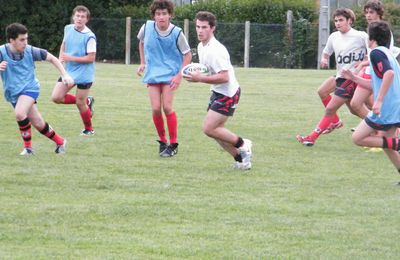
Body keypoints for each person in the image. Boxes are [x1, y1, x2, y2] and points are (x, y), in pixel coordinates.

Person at [184, 11, 252, 170]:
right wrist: (196, 74)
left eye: (204, 27)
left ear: (212, 28)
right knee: (216, 132)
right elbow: (208, 71)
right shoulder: (201, 46)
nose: (200, 30)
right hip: (217, 91)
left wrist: (199, 78)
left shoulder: (217, 50)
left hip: (228, 93)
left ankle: (243, 143)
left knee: (209, 128)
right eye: (197, 27)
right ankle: (242, 161)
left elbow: (224, 77)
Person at [297, 8, 368, 146]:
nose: (337, 23)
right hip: (341, 76)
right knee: (324, 92)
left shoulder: (360, 36)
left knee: (331, 108)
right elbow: (326, 52)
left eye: (341, 20)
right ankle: (337, 122)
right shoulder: (334, 36)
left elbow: (372, 53)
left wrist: (362, 64)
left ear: (350, 21)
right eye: (335, 20)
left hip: (352, 78)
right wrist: (324, 59)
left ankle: (311, 137)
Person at [0, 23, 73, 155]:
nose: (25, 42)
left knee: (19, 113)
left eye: (26, 39)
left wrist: (65, 74)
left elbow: (52, 58)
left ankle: (28, 149)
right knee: (38, 122)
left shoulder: (30, 50)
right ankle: (60, 142)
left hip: (30, 88)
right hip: (13, 92)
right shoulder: (1, 52)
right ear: (11, 40)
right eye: (22, 40)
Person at [341, 21, 400, 178]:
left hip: (387, 108)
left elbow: (389, 74)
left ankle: (397, 143)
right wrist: (353, 77)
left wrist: (378, 101)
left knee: (358, 138)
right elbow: (375, 84)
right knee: (388, 145)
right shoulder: (388, 54)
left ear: (371, 38)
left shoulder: (376, 53)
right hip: (395, 106)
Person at [137, 0, 192, 157]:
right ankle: (163, 142)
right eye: (158, 14)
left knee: (167, 107)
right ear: (154, 16)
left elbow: (187, 55)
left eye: (164, 14)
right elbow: (141, 43)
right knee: (155, 108)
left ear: (170, 15)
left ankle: (173, 144)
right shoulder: (147, 27)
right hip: (153, 72)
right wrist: (143, 62)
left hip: (170, 74)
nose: (161, 17)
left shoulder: (177, 32)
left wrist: (179, 75)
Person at [51, 5, 96, 136]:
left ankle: (89, 129)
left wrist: (70, 57)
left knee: (79, 103)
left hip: (85, 74)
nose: (79, 19)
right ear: (73, 17)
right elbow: (63, 44)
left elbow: (91, 58)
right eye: (77, 16)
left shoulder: (90, 36)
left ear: (87, 19)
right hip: (69, 72)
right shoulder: (68, 28)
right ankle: (88, 101)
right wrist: (61, 59)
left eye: (83, 17)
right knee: (56, 97)